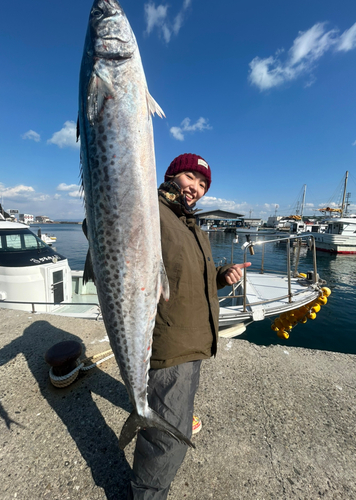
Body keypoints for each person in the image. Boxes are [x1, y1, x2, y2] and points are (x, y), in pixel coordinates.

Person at [128, 153, 251, 499]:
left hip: (194, 342)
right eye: (190, 178)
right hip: (170, 348)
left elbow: (189, 282)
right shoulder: (150, 212)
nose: (196, 188)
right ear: (170, 175)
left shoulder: (190, 223)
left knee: (174, 421)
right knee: (165, 442)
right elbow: (107, 225)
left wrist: (221, 277)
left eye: (203, 185)